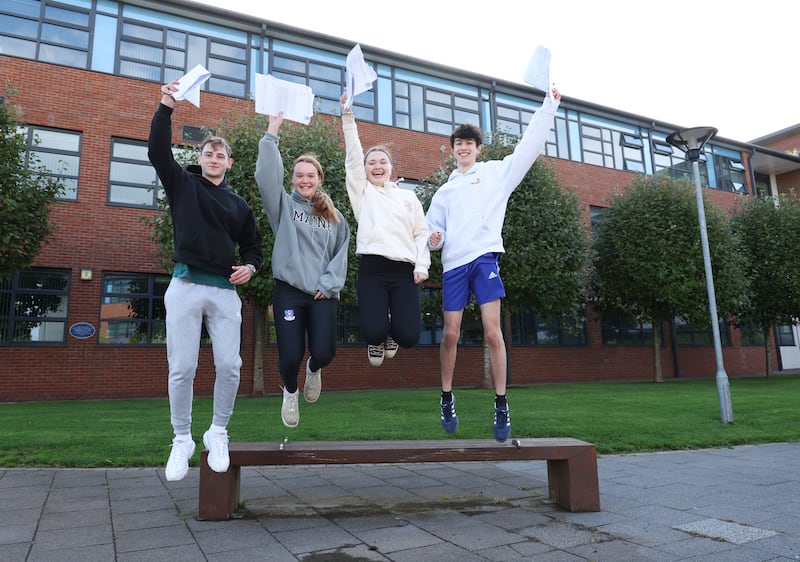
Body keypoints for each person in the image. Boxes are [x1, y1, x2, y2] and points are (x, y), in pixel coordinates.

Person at [426, 86, 562, 442]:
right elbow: (429, 230)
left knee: (492, 332)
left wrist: (549, 107)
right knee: (451, 334)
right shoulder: (444, 192)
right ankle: (446, 396)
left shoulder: (495, 174)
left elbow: (528, 148)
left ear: (478, 148)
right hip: (454, 264)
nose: (464, 148)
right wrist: (433, 239)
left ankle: (501, 403)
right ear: (453, 149)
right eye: (459, 143)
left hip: (484, 257)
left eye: (470, 143)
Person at [148, 80, 264, 481]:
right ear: (200, 158)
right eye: (208, 152)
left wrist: (250, 267)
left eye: (221, 153)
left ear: (229, 163)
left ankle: (218, 431)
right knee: (182, 367)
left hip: (224, 291)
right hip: (184, 286)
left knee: (230, 365)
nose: (215, 156)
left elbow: (253, 248)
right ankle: (182, 437)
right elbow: (157, 151)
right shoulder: (183, 185)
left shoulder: (238, 204)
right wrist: (167, 104)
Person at [255, 112, 350, 428]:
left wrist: (330, 282)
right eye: (299, 175)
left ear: (319, 178)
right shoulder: (283, 206)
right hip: (290, 293)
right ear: (293, 178)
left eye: (310, 175)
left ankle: (313, 370)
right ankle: (291, 391)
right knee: (289, 356)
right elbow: (267, 177)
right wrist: (272, 131)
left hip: (323, 293)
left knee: (323, 352)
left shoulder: (333, 217)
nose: (304, 180)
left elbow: (341, 253)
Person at [340, 93, 430, 367]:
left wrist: (422, 265)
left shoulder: (408, 198)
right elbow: (354, 157)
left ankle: (391, 332)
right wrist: (348, 117)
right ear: (366, 170)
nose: (377, 166)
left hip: (405, 271)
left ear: (391, 168)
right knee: (372, 331)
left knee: (409, 337)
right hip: (373, 269)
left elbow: (421, 233)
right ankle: (378, 336)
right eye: (372, 163)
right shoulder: (363, 193)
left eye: (382, 162)